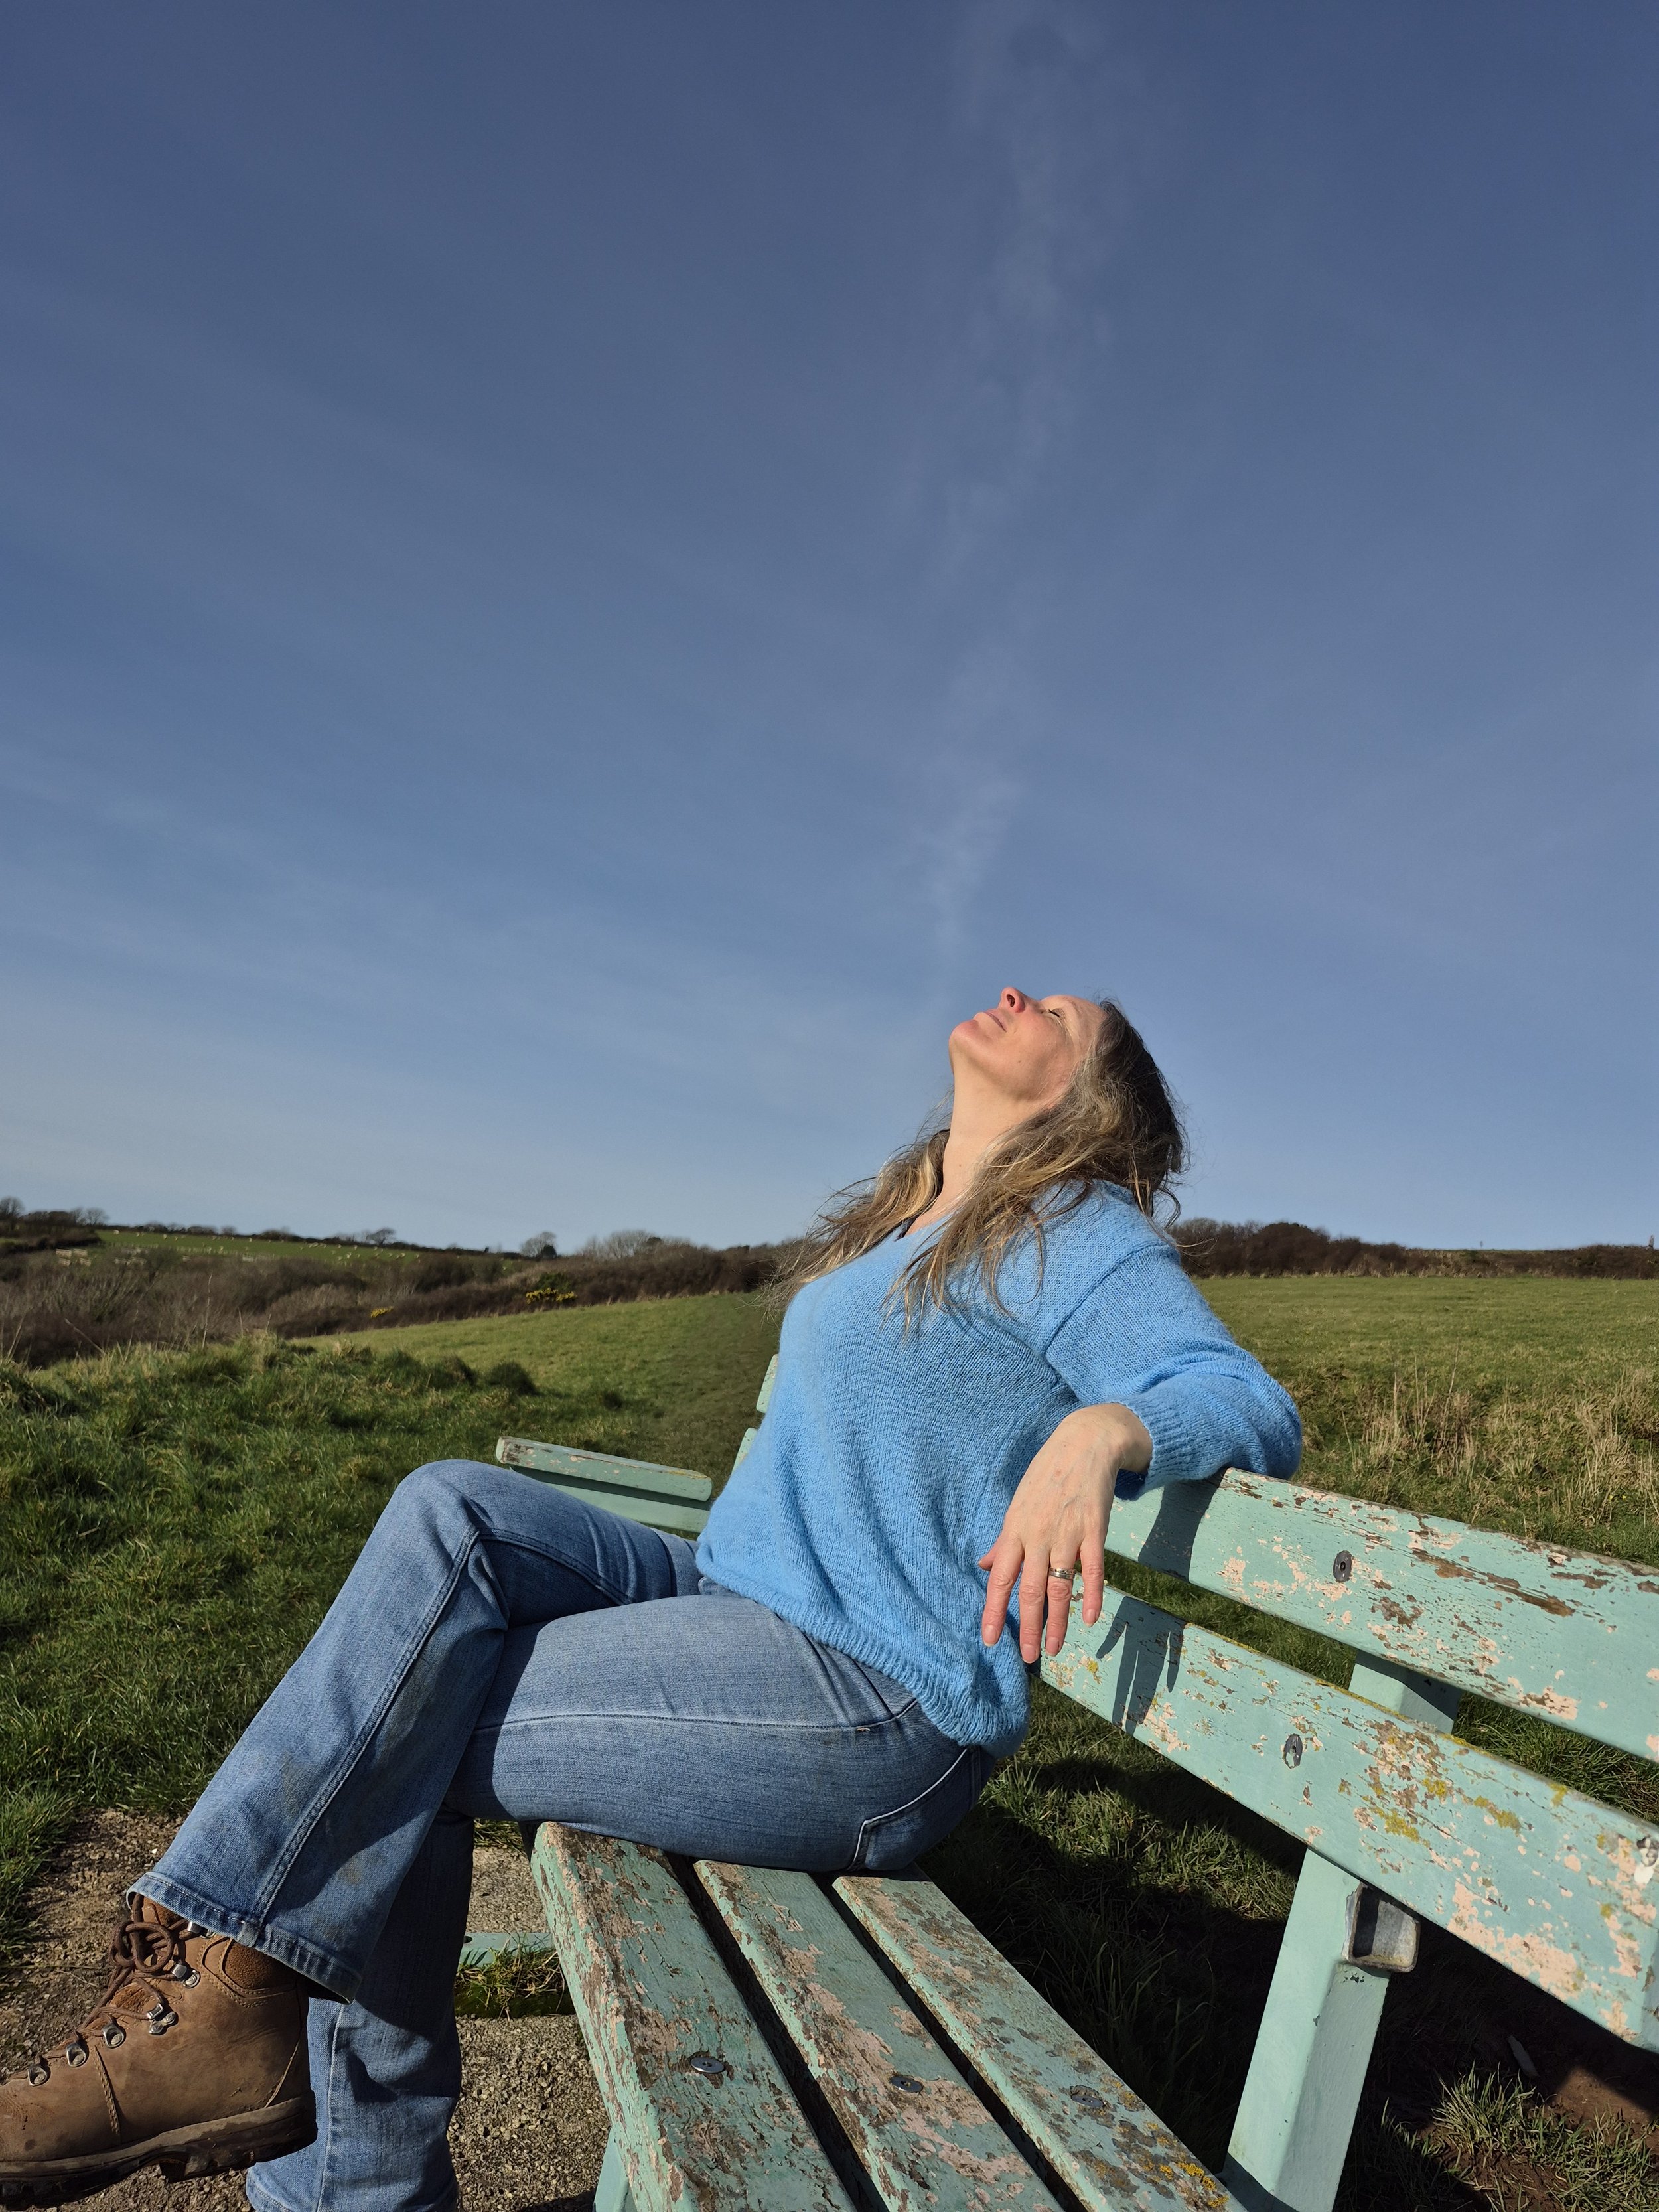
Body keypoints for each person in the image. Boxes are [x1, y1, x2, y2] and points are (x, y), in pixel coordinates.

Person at [0, 988, 1300, 2212]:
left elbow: (1241, 1394)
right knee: (450, 1509)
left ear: (1086, 1091)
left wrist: (1103, 1432)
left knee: (403, 1724)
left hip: (869, 1696)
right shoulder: (909, 1220)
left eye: (1058, 1011)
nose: (1019, 994)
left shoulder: (1071, 1229)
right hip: (729, 1594)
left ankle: (261, 2075)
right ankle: (218, 1992)